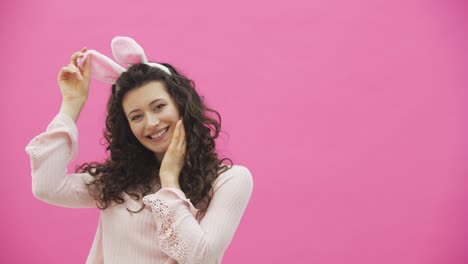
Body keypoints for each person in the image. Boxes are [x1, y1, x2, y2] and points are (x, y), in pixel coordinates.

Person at [25, 37, 253, 264]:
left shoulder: (229, 180)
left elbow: (201, 258)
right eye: (136, 116)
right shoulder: (117, 182)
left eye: (159, 107)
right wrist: (72, 103)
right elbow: (47, 185)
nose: (151, 123)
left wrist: (169, 180)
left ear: (181, 105)